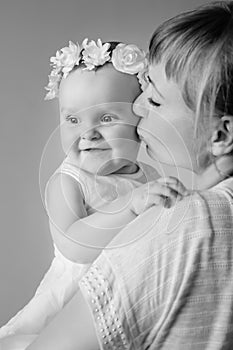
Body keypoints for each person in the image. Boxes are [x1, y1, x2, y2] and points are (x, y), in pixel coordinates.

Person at [22, 1, 233, 349]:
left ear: (221, 135)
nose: (137, 107)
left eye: (156, 101)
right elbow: (72, 243)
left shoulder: (187, 224)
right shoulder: (72, 182)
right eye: (145, 86)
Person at [0, 39, 186, 349]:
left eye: (107, 118)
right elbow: (73, 244)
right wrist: (129, 206)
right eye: (72, 120)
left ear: (140, 120)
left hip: (128, 299)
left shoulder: (149, 177)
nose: (88, 133)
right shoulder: (67, 181)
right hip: (71, 308)